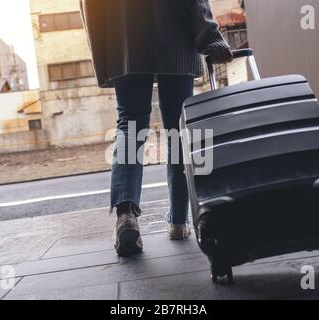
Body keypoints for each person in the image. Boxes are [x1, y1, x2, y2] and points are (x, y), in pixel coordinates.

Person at [81, 0, 233, 256]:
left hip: (124, 40)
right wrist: (211, 37)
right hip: (175, 38)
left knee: (130, 125)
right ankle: (178, 220)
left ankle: (126, 216)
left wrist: (104, 54)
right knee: (178, 129)